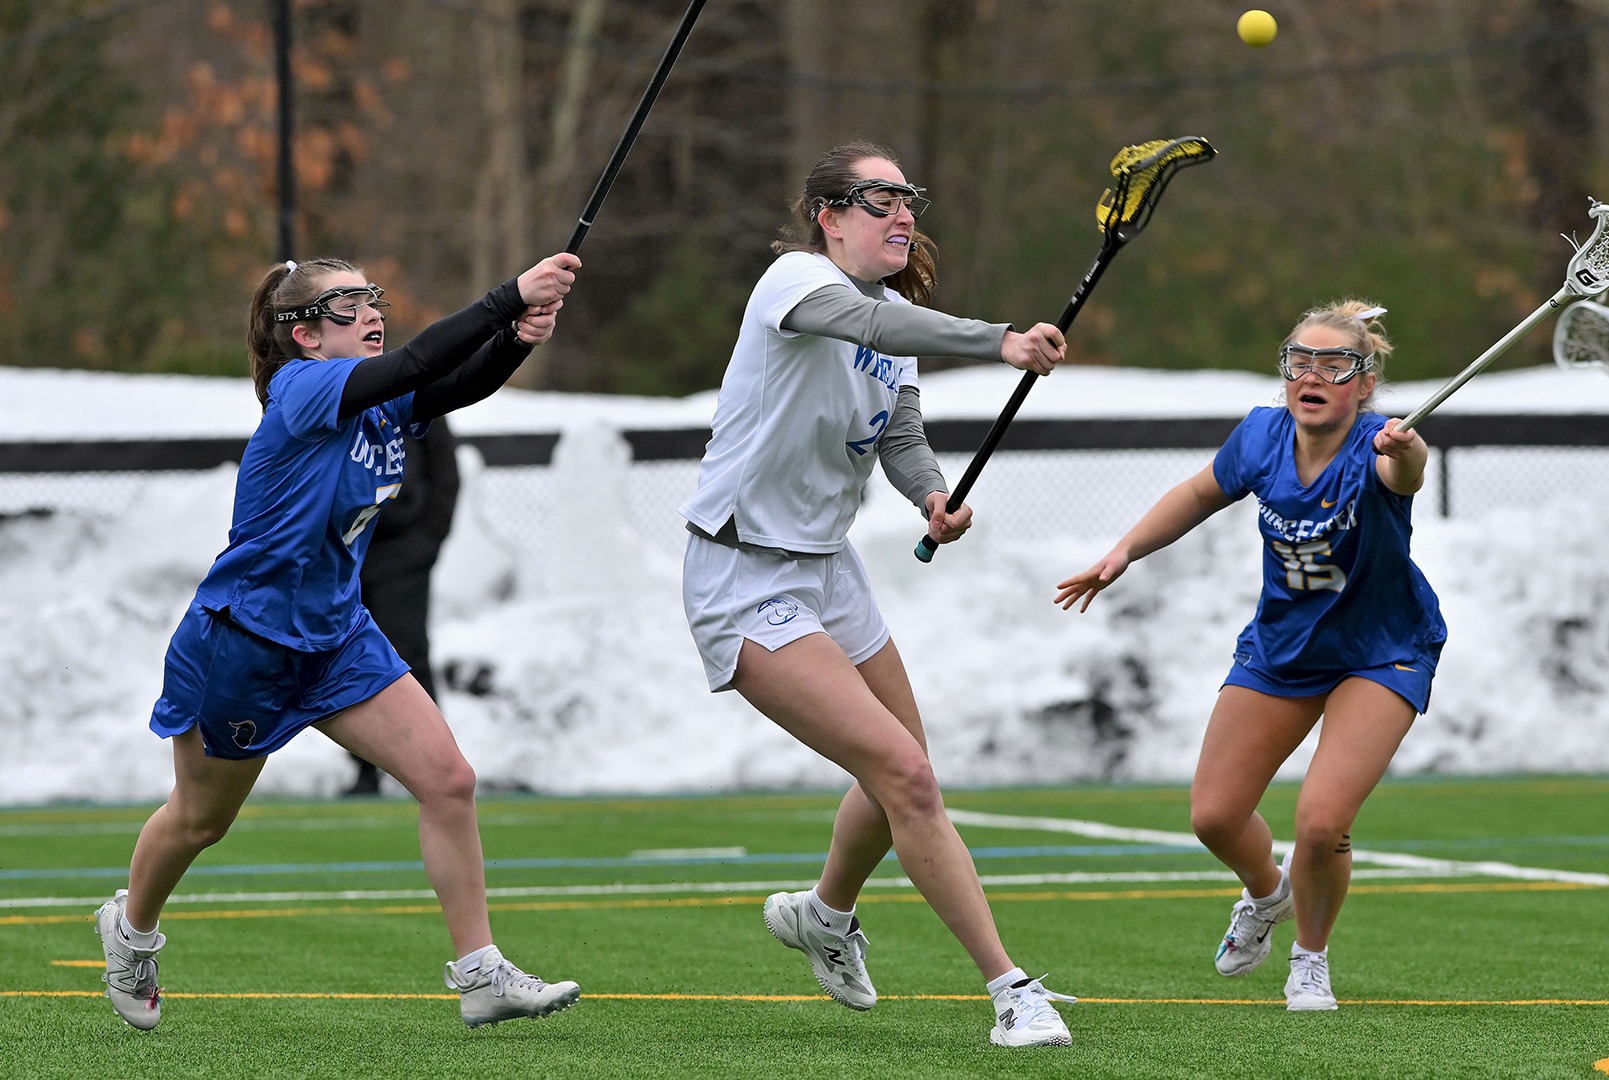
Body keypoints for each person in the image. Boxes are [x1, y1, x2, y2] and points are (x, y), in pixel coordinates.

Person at [95, 253, 583, 1031]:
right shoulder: (301, 388)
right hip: (246, 643)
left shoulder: (380, 405)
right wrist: (507, 298)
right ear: (306, 336)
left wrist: (517, 338)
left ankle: (480, 972)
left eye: (371, 298)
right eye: (347, 304)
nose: (371, 312)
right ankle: (130, 931)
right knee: (200, 821)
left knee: (449, 780)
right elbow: (419, 363)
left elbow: (454, 383)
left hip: (337, 636)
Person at [679, 141, 1076, 1047]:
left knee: (903, 770)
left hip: (829, 566)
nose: (902, 214)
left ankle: (824, 914)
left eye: (909, 199)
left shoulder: (893, 316)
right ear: (828, 216)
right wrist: (1000, 342)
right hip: (742, 571)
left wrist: (930, 494)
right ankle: (1011, 991)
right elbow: (867, 328)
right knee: (906, 775)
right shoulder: (794, 282)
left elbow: (899, 430)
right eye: (879, 198)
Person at [1055, 301, 1445, 1012]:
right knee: (1214, 816)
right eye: (1300, 361)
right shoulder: (1262, 435)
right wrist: (1124, 552)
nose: (1312, 375)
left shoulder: (1382, 447)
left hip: (1381, 649)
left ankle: (1310, 959)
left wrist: (1408, 451)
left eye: (1334, 365)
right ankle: (1268, 894)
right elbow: (1198, 493)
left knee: (1321, 823)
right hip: (1283, 647)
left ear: (1365, 384)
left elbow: (1408, 476)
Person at [345, 422, 461, 797]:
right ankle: (366, 769)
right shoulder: (340, 400)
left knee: (408, 656)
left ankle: (434, 765)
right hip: (349, 556)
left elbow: (445, 474)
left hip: (404, 557)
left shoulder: (418, 403)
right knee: (351, 662)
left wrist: (426, 540)